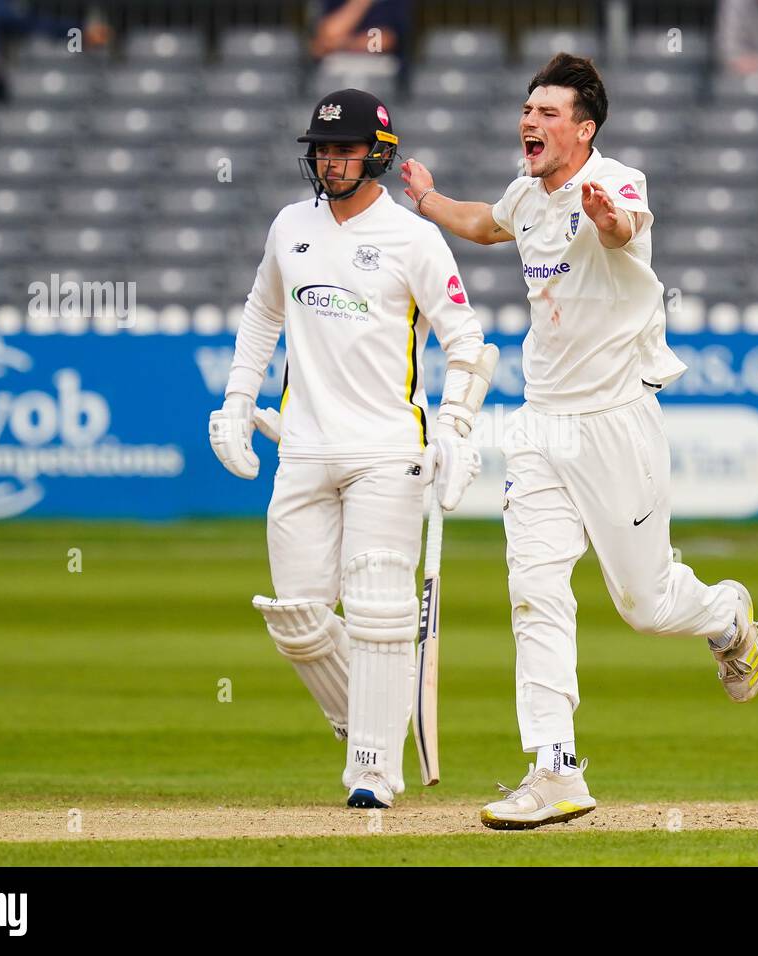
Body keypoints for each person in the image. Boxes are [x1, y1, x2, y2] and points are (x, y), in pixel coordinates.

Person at [400, 53, 758, 831]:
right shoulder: (527, 194)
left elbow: (625, 225)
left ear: (585, 128)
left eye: (547, 112)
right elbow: (482, 224)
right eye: (527, 109)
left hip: (615, 423)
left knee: (644, 603)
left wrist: (607, 220)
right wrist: (429, 199)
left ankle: (725, 617)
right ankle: (555, 769)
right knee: (534, 589)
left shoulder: (620, 182)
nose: (529, 121)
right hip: (541, 424)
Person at [208, 88, 488, 810]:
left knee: (377, 610)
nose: (329, 161)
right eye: (321, 149)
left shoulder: (414, 240)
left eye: (343, 149)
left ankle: (372, 768)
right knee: (297, 618)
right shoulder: (289, 227)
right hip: (302, 447)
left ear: (378, 155)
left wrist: (455, 427)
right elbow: (262, 312)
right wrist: (240, 399)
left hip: (386, 450)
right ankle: (374, 714)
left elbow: (468, 345)